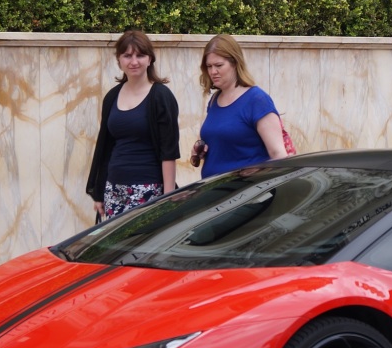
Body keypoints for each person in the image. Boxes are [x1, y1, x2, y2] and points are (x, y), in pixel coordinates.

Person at [86, 30, 180, 219]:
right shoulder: (112, 97)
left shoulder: (161, 96)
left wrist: (168, 197)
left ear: (150, 59)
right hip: (114, 190)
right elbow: (105, 147)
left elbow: (168, 151)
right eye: (127, 55)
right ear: (119, 59)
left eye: (140, 55)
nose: (134, 61)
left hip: (148, 190)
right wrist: (99, 193)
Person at [191, 33, 289, 178]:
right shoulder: (214, 100)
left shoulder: (257, 100)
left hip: (246, 194)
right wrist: (200, 151)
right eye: (209, 66)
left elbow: (278, 155)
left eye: (219, 65)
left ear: (235, 63)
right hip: (214, 192)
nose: (213, 72)